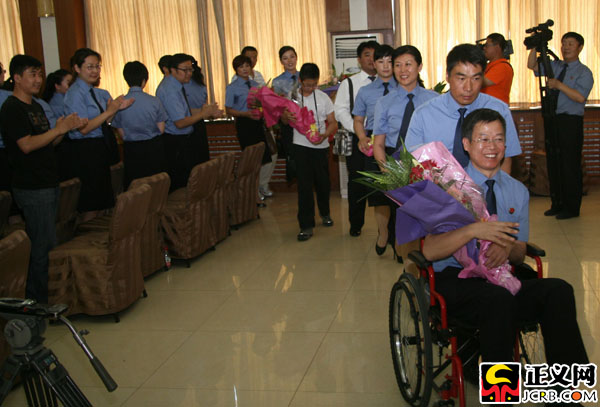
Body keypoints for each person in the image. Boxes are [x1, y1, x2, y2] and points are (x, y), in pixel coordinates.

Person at [422, 107, 588, 367]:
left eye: (498, 139)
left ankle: (564, 384)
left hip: (503, 277)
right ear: (466, 144)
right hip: (456, 279)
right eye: (483, 139)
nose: (492, 146)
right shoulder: (447, 187)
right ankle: (501, 387)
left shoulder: (517, 191)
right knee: (497, 300)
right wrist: (473, 231)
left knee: (559, 291)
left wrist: (508, 247)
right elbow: (430, 251)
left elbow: (520, 252)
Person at [0, 54, 85, 303]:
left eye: (39, 74)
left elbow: (48, 143)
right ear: (17, 78)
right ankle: (36, 303)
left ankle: (48, 297)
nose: (38, 80)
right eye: (32, 75)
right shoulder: (12, 108)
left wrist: (63, 130)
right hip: (32, 185)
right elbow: (26, 145)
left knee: (49, 242)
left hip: (48, 181)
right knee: (41, 247)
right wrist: (57, 130)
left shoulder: (35, 106)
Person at [405, 43, 521, 174]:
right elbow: (411, 161)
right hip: (437, 186)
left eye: (476, 79)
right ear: (447, 76)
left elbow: (506, 159)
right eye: (461, 78)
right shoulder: (424, 114)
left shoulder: (498, 110)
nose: (468, 88)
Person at [372, 45, 438, 257]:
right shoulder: (384, 102)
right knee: (402, 217)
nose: (402, 70)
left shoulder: (434, 99)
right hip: (396, 163)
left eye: (408, 64)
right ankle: (406, 256)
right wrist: (388, 172)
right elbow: (378, 143)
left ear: (419, 66)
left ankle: (429, 256)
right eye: (398, 65)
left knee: (428, 218)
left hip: (427, 164)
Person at [527, 32, 594, 220]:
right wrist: (535, 46)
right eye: (564, 43)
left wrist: (558, 85)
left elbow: (580, 97)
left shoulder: (584, 72)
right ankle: (557, 203)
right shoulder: (555, 66)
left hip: (570, 122)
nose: (566, 47)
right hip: (552, 119)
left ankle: (571, 208)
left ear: (580, 47)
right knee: (554, 163)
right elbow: (532, 65)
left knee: (569, 165)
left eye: (570, 44)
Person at [64, 47, 133, 219]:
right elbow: (83, 128)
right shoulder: (75, 93)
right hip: (85, 150)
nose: (95, 71)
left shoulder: (94, 92)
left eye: (97, 66)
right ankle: (88, 234)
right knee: (91, 203)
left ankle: (99, 233)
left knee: (103, 202)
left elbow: (105, 122)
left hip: (100, 147)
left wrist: (115, 110)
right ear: (77, 68)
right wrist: (109, 111)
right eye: (90, 67)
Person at [281, 63, 336, 241]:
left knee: (323, 183)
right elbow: (283, 119)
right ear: (300, 80)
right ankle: (306, 225)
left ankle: (325, 213)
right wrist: (286, 117)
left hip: (321, 146)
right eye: (307, 85)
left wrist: (325, 135)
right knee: (304, 186)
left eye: (313, 85)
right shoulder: (292, 97)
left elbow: (333, 123)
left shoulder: (323, 98)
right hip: (300, 145)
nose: (310, 88)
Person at [353, 44, 398, 253]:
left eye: (390, 61)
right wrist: (362, 137)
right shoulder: (366, 91)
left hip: (397, 144)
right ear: (374, 64)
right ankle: (383, 233)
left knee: (400, 194)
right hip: (374, 145)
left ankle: (399, 240)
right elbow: (358, 120)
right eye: (381, 61)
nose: (386, 66)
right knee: (379, 194)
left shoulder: (403, 87)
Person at [333, 40, 379, 237]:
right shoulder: (349, 83)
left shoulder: (388, 82)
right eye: (367, 55)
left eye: (375, 55)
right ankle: (356, 224)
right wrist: (357, 131)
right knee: (357, 182)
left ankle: (386, 228)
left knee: (383, 181)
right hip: (357, 138)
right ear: (359, 59)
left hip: (382, 139)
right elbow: (340, 110)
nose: (371, 59)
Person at [156, 53, 222, 190]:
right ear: (173, 70)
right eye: (185, 70)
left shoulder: (177, 85)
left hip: (183, 140)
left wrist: (208, 112)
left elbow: (184, 111)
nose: (189, 74)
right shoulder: (170, 90)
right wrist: (203, 114)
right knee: (182, 185)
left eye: (190, 69)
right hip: (176, 142)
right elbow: (180, 122)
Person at [225, 54, 273, 203]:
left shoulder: (255, 84)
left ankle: (257, 188)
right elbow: (228, 110)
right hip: (244, 123)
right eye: (241, 67)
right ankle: (252, 192)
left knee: (261, 158)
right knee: (250, 159)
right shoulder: (232, 87)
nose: (245, 69)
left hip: (257, 123)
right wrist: (245, 114)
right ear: (236, 69)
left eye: (247, 66)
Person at [112, 61, 168, 188]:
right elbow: (161, 129)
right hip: (153, 147)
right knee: (156, 184)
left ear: (126, 79)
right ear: (144, 81)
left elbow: (120, 131)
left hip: (131, 149)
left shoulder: (119, 103)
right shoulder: (154, 101)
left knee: (135, 186)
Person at [481, 33, 513, 104]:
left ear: (497, 47)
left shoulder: (502, 67)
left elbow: (479, 82)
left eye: (487, 45)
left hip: (495, 108)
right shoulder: (489, 65)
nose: (484, 48)